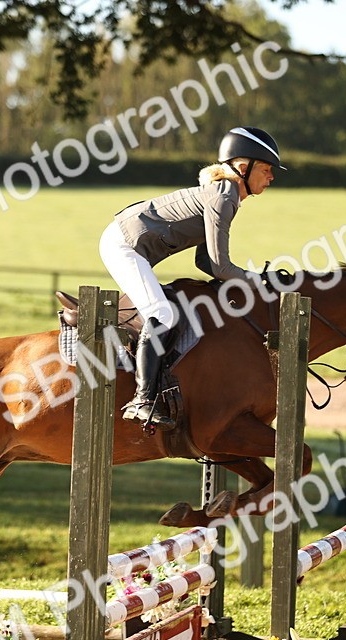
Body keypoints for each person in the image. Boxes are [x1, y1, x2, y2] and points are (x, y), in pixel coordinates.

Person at [98, 126, 283, 428]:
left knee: (165, 311)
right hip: (123, 244)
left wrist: (247, 280)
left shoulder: (224, 196)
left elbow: (205, 262)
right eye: (266, 169)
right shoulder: (223, 197)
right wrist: (258, 280)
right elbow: (222, 267)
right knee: (162, 313)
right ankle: (142, 400)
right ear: (242, 167)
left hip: (129, 245)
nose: (271, 177)